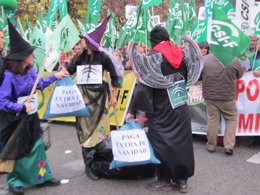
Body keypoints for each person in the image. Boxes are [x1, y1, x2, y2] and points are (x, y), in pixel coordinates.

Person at [0, 20, 68, 195]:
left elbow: (39, 84)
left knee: (37, 145)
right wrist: (21, 107)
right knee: (18, 149)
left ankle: (42, 177)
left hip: (31, 115)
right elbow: (3, 101)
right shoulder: (9, 76)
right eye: (29, 53)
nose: (32, 55)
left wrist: (56, 75)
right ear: (22, 56)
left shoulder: (30, 71)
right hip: (15, 119)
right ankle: (14, 182)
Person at [126, 25, 194, 193]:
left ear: (153, 40)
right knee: (182, 143)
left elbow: (144, 87)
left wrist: (133, 110)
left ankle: (164, 179)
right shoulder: (182, 54)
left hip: (161, 109)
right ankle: (182, 180)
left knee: (160, 143)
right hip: (180, 105)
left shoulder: (152, 57)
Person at [67, 16, 119, 181]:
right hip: (83, 100)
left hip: (100, 100)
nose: (81, 42)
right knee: (86, 131)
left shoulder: (103, 57)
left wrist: (113, 96)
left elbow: (115, 76)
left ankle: (99, 162)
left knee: (100, 131)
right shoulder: (79, 58)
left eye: (83, 40)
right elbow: (68, 72)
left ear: (90, 43)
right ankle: (88, 165)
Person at [201, 54, 244, 155]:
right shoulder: (234, 60)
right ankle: (229, 146)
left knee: (212, 120)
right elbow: (240, 75)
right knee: (231, 119)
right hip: (227, 96)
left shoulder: (205, 59)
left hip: (210, 95)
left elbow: (199, 74)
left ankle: (211, 145)